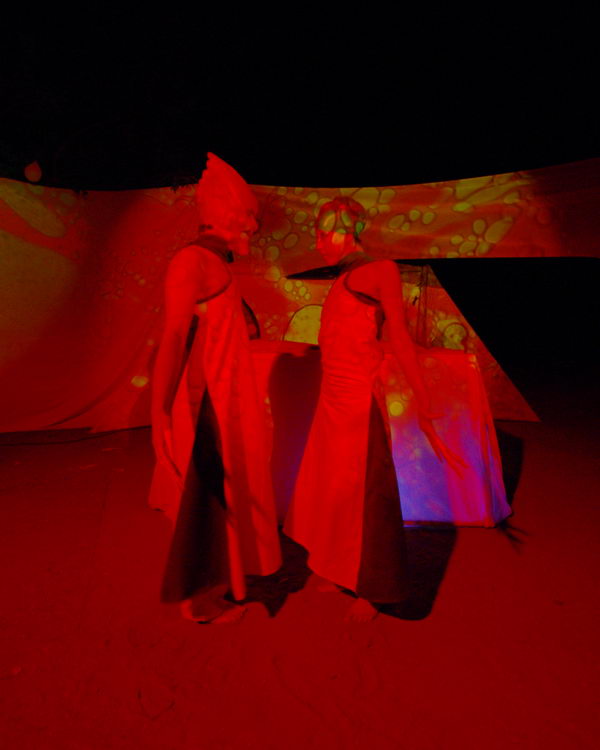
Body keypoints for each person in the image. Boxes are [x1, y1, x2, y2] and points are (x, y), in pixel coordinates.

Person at [284, 197, 463, 622]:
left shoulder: (379, 270)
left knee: (367, 496)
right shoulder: (343, 280)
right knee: (335, 492)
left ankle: (376, 588)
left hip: (358, 401)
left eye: (322, 234)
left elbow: (398, 336)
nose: (317, 243)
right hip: (333, 401)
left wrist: (424, 399)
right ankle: (339, 568)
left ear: (343, 231)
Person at [150, 153, 281, 623]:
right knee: (204, 498)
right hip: (208, 403)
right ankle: (199, 599)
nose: (253, 227)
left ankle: (217, 587)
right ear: (226, 215)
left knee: (220, 496)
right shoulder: (192, 262)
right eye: (247, 217)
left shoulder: (214, 265)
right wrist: (160, 413)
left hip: (226, 401)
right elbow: (172, 339)